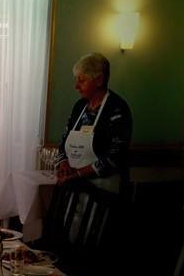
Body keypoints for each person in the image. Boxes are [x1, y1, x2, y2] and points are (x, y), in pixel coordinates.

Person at [56, 52, 132, 193]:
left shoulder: (116, 109)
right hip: (75, 185)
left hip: (104, 190)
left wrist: (78, 173)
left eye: (82, 80)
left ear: (99, 80)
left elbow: (115, 157)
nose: (76, 86)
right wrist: (63, 164)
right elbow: (63, 142)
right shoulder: (79, 106)